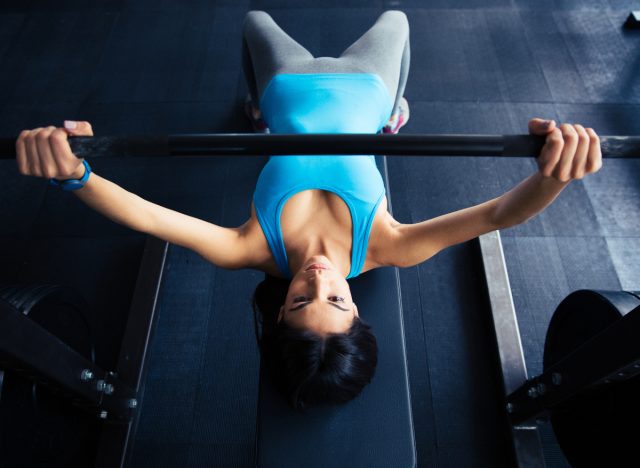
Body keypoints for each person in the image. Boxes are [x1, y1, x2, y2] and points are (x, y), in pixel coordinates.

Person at [14, 10, 602, 411]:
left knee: (253, 22)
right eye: (338, 300)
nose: (319, 281)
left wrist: (75, 175)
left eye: (299, 301)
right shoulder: (387, 246)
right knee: (396, 19)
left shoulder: (249, 247)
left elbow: (147, 216)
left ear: (277, 315)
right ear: (357, 309)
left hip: (287, 88)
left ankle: (255, 114)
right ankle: (393, 111)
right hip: (368, 87)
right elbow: (499, 215)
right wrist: (556, 174)